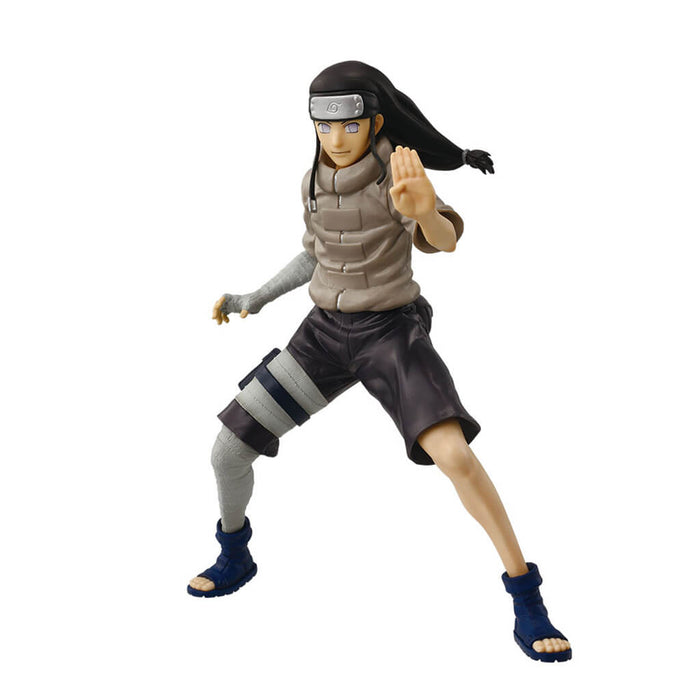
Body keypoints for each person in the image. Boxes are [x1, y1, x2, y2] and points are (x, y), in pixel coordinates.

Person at [187, 61, 571, 663]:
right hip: (322, 336)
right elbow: (316, 254)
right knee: (228, 450)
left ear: (375, 122)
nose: (336, 139)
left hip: (389, 334)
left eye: (348, 125)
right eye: (323, 126)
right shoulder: (312, 180)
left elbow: (445, 240)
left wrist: (425, 211)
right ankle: (235, 553)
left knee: (455, 456)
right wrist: (255, 297)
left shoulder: (399, 171)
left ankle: (526, 595)